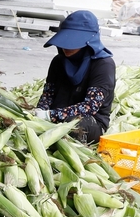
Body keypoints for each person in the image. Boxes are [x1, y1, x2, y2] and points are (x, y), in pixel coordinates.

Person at [34, 10, 116, 144]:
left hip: (90, 122)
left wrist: (50, 116)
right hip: (54, 116)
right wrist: (41, 110)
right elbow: (48, 93)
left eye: (72, 42)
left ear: (90, 41)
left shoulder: (103, 65)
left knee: (74, 127)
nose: (66, 47)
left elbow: (90, 107)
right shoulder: (58, 61)